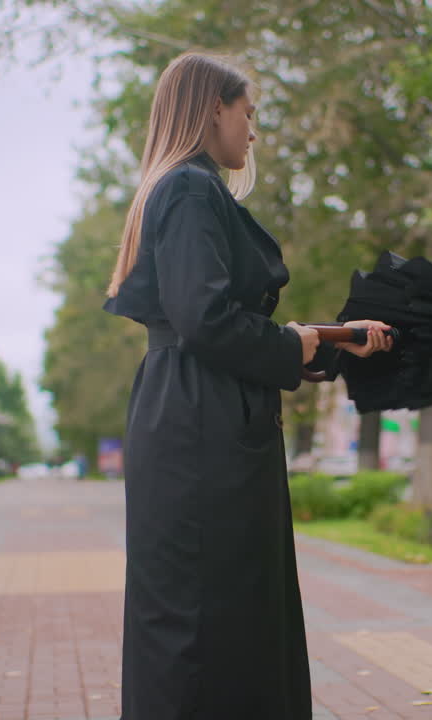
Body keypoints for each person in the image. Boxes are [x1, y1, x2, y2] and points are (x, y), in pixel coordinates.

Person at [102, 52, 392, 719]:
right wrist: (293, 344)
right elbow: (206, 319)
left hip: (194, 412)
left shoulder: (180, 189)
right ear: (214, 108)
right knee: (212, 618)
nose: (253, 131)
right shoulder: (190, 189)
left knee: (207, 613)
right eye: (249, 113)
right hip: (203, 425)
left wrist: (332, 339)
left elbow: (213, 322)